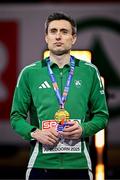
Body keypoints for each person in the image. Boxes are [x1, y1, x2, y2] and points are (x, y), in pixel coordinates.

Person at [10, 12, 109, 180]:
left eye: (64, 32)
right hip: (40, 165)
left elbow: (102, 116)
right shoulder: (29, 73)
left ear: (74, 38)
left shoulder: (89, 72)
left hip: (80, 166)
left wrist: (83, 129)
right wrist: (35, 133)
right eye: (53, 31)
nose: (58, 36)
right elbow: (16, 117)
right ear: (46, 37)